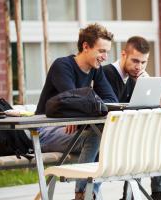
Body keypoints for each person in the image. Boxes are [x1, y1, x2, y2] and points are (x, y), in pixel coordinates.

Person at [35, 23, 118, 200]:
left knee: (107, 138)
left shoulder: (96, 70)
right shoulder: (62, 66)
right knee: (95, 136)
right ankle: (82, 194)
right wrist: (82, 109)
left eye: (107, 52)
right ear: (86, 47)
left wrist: (82, 111)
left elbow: (111, 101)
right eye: (101, 51)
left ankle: (89, 193)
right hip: (44, 131)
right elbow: (72, 101)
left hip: (73, 130)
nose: (105, 57)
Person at [103, 36, 161, 200]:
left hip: (130, 132)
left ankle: (159, 191)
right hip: (110, 133)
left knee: (155, 137)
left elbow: (153, 111)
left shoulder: (138, 77)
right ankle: (132, 195)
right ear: (123, 55)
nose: (139, 67)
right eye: (135, 61)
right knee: (140, 142)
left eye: (144, 62)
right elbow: (112, 109)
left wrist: (145, 85)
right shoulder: (108, 73)